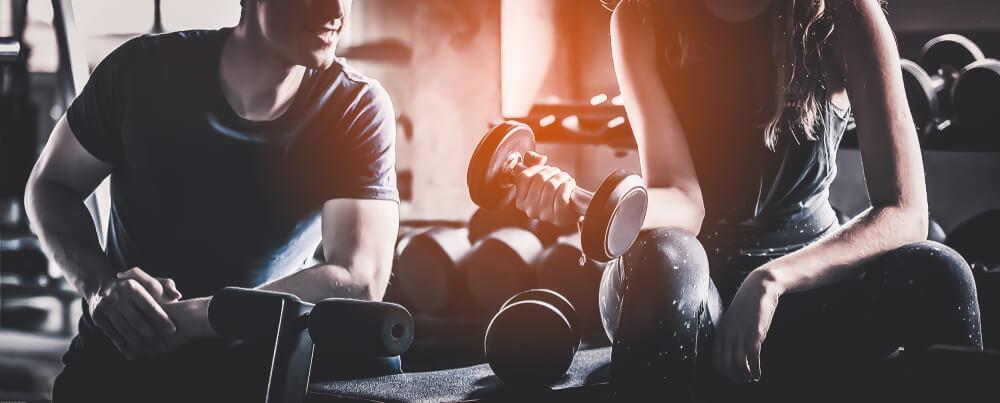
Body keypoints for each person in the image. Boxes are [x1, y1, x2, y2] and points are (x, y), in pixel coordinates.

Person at [511, 0, 983, 399]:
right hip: (691, 295)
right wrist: (587, 203)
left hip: (807, 293)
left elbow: (905, 211)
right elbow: (683, 200)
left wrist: (773, 279)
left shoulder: (845, 15)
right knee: (667, 259)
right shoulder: (642, 17)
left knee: (940, 272)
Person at [24, 0, 401, 400]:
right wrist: (99, 285)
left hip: (262, 365)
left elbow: (359, 280)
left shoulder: (356, 108)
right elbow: (50, 185)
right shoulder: (141, 72)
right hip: (127, 348)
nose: (336, 10)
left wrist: (194, 318)